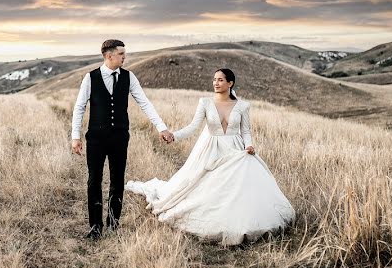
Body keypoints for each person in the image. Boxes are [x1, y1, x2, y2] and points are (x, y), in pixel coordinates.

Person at [125, 68, 294, 245]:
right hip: (211, 150)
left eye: (220, 80)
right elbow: (193, 126)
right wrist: (174, 135)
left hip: (236, 150)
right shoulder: (205, 102)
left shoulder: (243, 106)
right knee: (207, 186)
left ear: (230, 83)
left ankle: (238, 219)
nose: (216, 83)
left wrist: (249, 145)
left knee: (236, 187)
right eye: (214, 79)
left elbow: (246, 131)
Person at [71, 39, 173, 240]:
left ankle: (113, 223)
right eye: (121, 54)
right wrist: (75, 137)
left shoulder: (129, 77)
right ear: (109, 55)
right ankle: (95, 226)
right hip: (96, 139)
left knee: (117, 181)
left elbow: (144, 103)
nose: (125, 57)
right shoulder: (90, 78)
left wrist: (161, 127)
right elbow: (79, 107)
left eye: (124, 54)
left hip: (119, 138)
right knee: (94, 181)